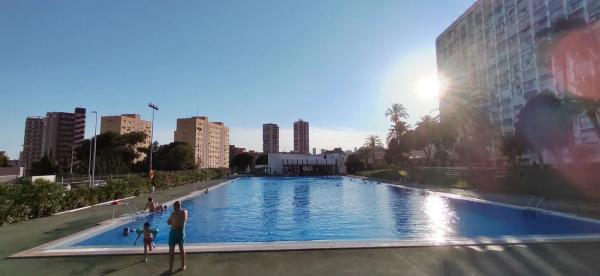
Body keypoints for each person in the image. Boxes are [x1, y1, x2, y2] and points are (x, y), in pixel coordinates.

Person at [167, 200, 188, 273]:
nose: (173, 208)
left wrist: (172, 218)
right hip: (177, 233)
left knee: (176, 250)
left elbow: (169, 222)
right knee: (176, 250)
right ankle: (176, 267)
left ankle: (177, 267)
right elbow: (169, 222)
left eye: (174, 206)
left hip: (177, 233)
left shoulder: (178, 213)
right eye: (174, 207)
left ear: (177, 206)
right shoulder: (180, 213)